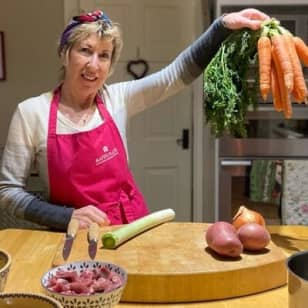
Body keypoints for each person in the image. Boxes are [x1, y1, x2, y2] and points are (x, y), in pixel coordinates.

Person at [0, 9, 269, 231]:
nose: (94, 65)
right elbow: (8, 192)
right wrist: (64, 216)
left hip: (130, 229)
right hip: (71, 235)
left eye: (104, 55)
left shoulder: (117, 98)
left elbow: (175, 75)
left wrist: (221, 27)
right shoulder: (31, 112)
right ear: (64, 53)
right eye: (85, 50)